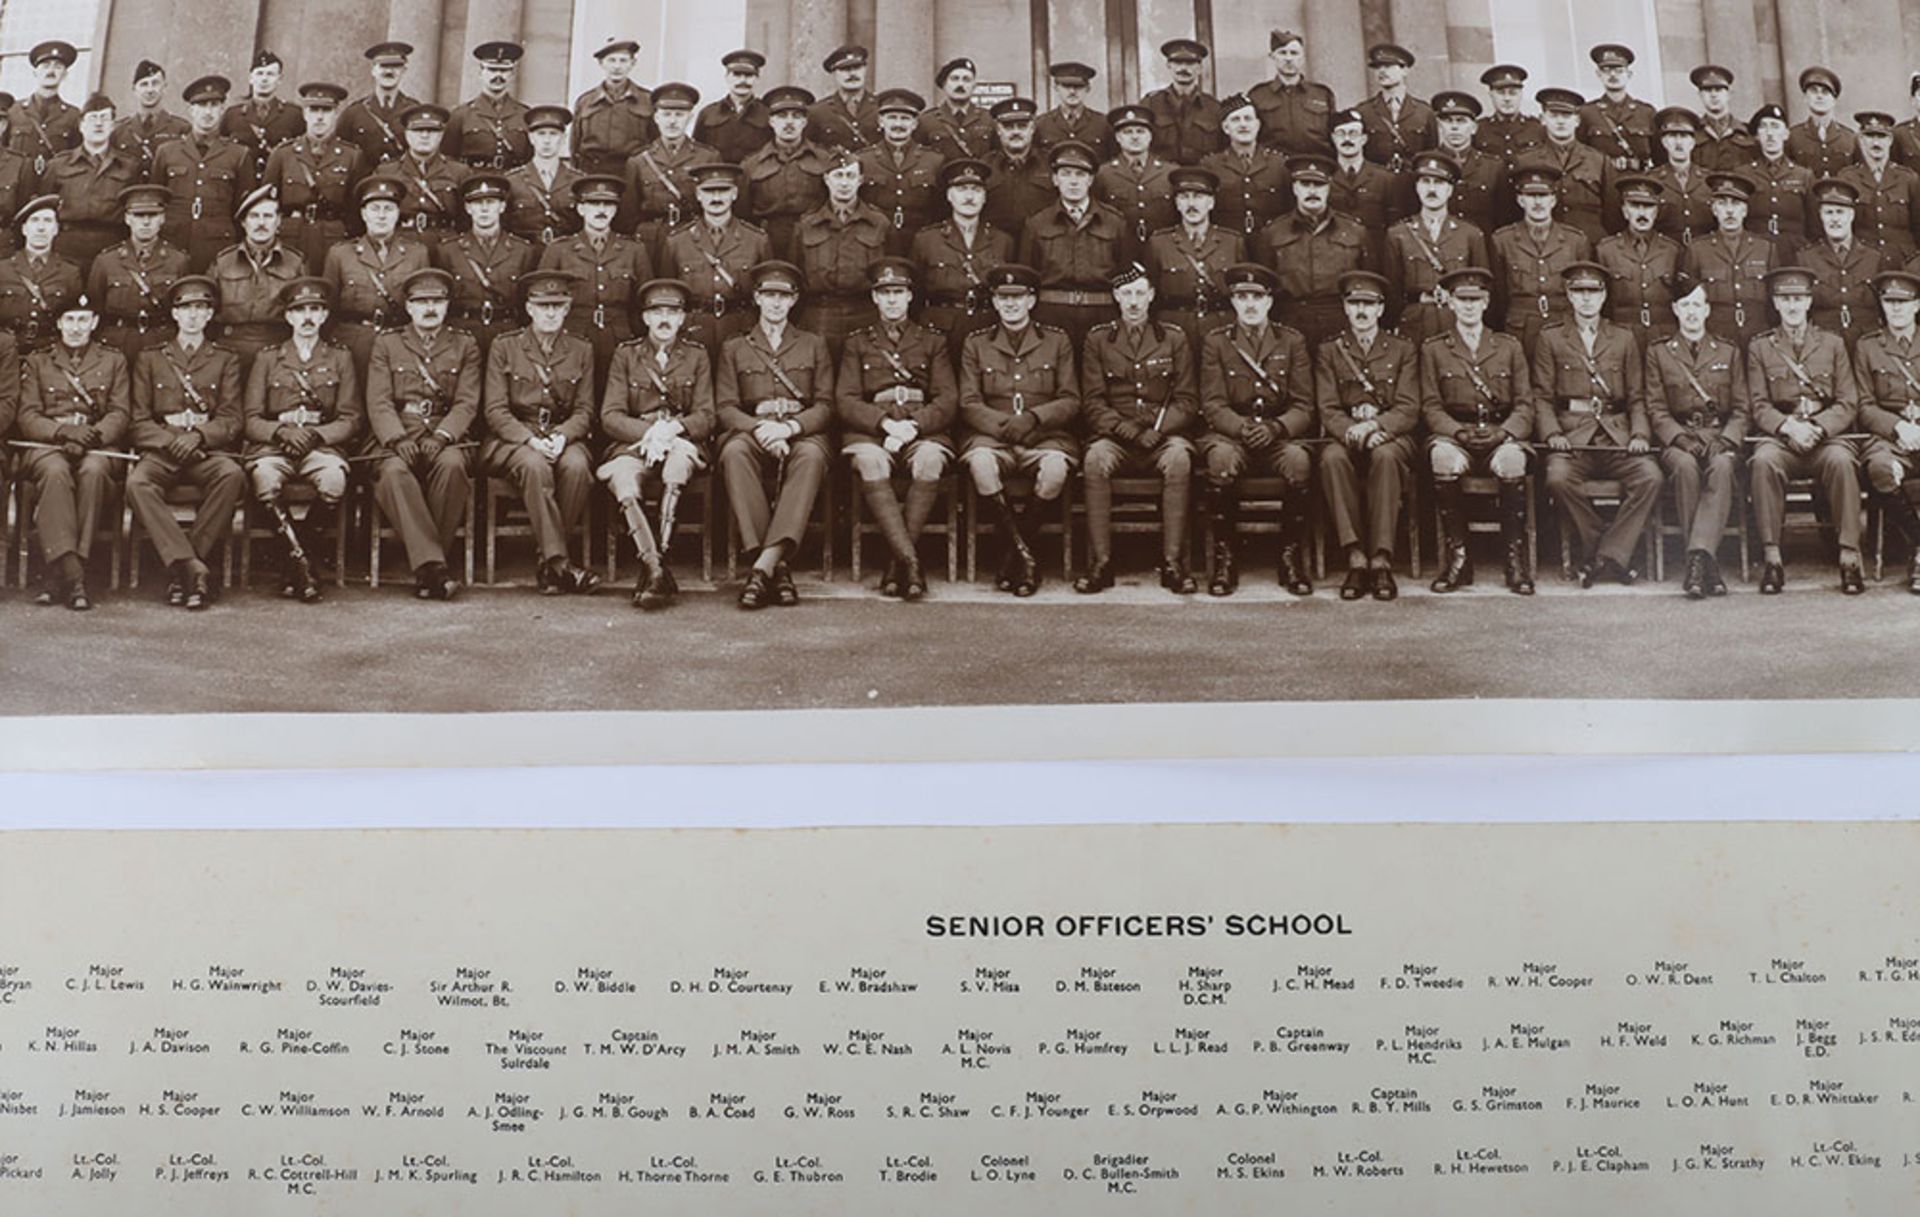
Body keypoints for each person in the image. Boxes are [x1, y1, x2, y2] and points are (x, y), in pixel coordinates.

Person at [715, 259, 835, 609]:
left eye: (784, 296)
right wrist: (761, 429)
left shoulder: (813, 344)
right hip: (753, 431)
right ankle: (777, 567)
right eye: (769, 295)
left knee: (812, 456)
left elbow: (826, 405)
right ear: (756, 298)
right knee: (734, 453)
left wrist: (790, 427)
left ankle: (761, 569)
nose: (776, 303)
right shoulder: (735, 347)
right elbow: (725, 407)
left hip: (799, 430)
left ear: (794, 300)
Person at [834, 257, 956, 599]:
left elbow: (947, 398)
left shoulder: (933, 341)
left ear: (909, 296)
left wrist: (914, 427)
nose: (891, 300)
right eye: (884, 292)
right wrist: (884, 423)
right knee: (871, 462)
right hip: (873, 431)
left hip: (921, 430)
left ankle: (895, 564)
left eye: (898, 292)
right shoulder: (858, 342)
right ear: (874, 298)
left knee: (931, 460)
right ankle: (910, 562)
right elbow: (845, 398)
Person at [957, 262, 1079, 597]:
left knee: (1055, 469)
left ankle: (1015, 556)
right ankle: (1027, 558)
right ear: (994, 302)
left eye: (1018, 297)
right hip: (992, 437)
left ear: (1032, 300)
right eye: (1002, 298)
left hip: (1044, 436)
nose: (1010, 304)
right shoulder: (976, 343)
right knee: (980, 464)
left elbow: (1070, 399)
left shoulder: (1056, 341)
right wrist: (1005, 427)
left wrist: (1035, 419)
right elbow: (968, 402)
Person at [1076, 261, 1198, 594]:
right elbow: (1093, 401)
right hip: (1116, 438)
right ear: (1116, 296)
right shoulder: (1099, 340)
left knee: (1179, 460)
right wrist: (1122, 428)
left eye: (1140, 294)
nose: (1133, 302)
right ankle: (1101, 563)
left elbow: (1187, 400)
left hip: (1162, 437)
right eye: (1126, 293)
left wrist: (1160, 429)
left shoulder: (1173, 338)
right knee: (1095, 459)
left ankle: (1173, 563)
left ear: (1152, 296)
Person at [1533, 261, 1658, 586]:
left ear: (1603, 297)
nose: (1586, 299)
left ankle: (1601, 557)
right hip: (1573, 435)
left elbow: (1637, 396)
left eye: (1593, 292)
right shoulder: (1551, 338)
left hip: (1616, 433)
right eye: (1579, 292)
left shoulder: (1623, 337)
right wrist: (1553, 433)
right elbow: (1542, 397)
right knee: (1558, 478)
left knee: (1650, 477)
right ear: (1569, 296)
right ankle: (1610, 552)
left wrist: (1640, 433)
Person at [125, 274, 245, 609]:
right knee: (137, 483)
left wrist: (199, 436)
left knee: (232, 475)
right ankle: (192, 567)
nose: (193, 315)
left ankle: (185, 566)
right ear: (175, 315)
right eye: (186, 308)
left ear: (210, 315)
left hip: (205, 450)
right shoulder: (151, 358)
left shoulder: (225, 359)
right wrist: (168, 440)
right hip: (164, 451)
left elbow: (232, 418)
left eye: (201, 308)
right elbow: (138, 421)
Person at [1196, 261, 1314, 596]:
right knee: (1220, 460)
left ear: (1269, 302)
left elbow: (1304, 405)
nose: (1249, 304)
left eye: (1257, 297)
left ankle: (1289, 558)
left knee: (1298, 461)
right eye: (1242, 296)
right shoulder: (1217, 342)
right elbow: (1213, 403)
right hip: (1233, 435)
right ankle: (1226, 558)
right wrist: (1241, 427)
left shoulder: (1291, 342)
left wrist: (1277, 427)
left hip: (1277, 434)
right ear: (1232, 301)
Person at [1745, 265, 1864, 594]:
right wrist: (1787, 427)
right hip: (1782, 439)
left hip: (1824, 439)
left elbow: (1847, 401)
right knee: (1763, 462)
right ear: (1776, 303)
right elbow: (1758, 404)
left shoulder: (1833, 344)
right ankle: (1773, 560)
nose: (1793, 306)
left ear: (1809, 302)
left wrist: (1819, 428)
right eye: (1785, 299)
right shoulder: (1760, 347)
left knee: (1842, 462)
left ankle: (1849, 559)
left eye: (1798, 298)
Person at [598, 276, 715, 609]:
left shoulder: (697, 356)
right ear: (645, 317)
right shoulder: (626, 355)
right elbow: (610, 415)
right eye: (656, 311)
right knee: (622, 478)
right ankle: (655, 567)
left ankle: (654, 568)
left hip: (680, 442)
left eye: (672, 312)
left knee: (677, 466)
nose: (664, 319)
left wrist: (673, 430)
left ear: (682, 318)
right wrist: (648, 434)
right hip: (636, 443)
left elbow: (707, 415)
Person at [241, 276, 360, 602]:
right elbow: (250, 418)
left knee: (334, 479)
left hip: (318, 446)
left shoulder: (340, 358)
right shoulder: (268, 358)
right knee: (264, 477)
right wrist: (279, 432)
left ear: (324, 316)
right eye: (300, 311)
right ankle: (304, 566)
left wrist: (316, 435)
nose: (308, 317)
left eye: (315, 310)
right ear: (288, 317)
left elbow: (350, 417)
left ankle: (293, 564)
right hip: (275, 446)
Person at [483, 269, 600, 594]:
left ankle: (548, 565)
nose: (550, 313)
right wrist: (530, 440)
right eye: (542, 305)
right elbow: (495, 410)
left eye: (557, 305)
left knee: (577, 467)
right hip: (515, 438)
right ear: (529, 309)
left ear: (567, 308)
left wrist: (562, 436)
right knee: (535, 466)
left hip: (563, 434)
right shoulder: (505, 346)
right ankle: (559, 563)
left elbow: (585, 410)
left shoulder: (581, 349)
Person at [363, 266, 476, 601]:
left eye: (437, 301)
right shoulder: (387, 344)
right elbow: (379, 400)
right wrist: (397, 439)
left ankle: (427, 568)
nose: (430, 308)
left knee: (454, 466)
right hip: (400, 432)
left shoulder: (465, 345)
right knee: (394, 472)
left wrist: (442, 436)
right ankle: (434, 569)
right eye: (421, 301)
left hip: (445, 435)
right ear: (408, 307)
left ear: (446, 305)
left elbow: (467, 402)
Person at [1421, 265, 1535, 595]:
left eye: (1477, 299)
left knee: (1514, 461)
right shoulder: (1434, 349)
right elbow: (1430, 405)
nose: (1469, 306)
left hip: (1499, 433)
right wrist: (1456, 432)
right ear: (1451, 303)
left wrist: (1506, 432)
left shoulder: (1508, 346)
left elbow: (1525, 404)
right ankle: (1458, 558)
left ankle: (1514, 560)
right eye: (1462, 299)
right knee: (1442, 458)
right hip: (1457, 435)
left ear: (1486, 303)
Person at [16, 293, 128, 610]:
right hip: (48, 444)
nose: (76, 327)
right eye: (69, 320)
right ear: (59, 324)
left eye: (82, 320)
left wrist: (91, 436)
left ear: (93, 323)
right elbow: (27, 415)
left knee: (93, 471)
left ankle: (57, 572)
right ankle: (75, 575)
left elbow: (120, 412)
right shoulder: (39, 360)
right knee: (55, 472)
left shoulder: (113, 360)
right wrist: (63, 432)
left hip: (97, 444)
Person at [1645, 270, 1748, 598]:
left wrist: (1727, 439)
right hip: (1679, 440)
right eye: (1685, 305)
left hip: (1718, 436)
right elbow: (1656, 408)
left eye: (1697, 305)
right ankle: (1708, 563)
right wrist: (1678, 438)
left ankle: (1697, 563)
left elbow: (1743, 408)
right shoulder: (1659, 353)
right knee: (1686, 468)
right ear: (1675, 309)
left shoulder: (1728, 351)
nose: (1691, 312)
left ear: (1707, 311)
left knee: (1721, 466)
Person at [1315, 269, 1418, 600]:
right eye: (1354, 303)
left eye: (1368, 304)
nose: (1361, 310)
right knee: (1331, 458)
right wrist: (1352, 431)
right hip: (1347, 435)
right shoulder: (1330, 351)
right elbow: (1328, 408)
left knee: (1386, 458)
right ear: (1345, 308)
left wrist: (1377, 427)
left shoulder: (1402, 349)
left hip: (1389, 436)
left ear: (1380, 309)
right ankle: (1355, 555)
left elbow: (1408, 407)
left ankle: (1381, 558)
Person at [538, 174, 650, 387]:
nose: (601, 210)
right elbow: (543, 298)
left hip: (619, 338)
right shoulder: (559, 250)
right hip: (572, 338)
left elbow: (643, 302)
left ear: (615, 210)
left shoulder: (633, 250)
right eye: (593, 204)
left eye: (608, 204)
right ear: (580, 209)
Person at [322, 173, 431, 381]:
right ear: (363, 214)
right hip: (353, 342)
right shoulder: (340, 254)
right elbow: (329, 310)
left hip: (399, 343)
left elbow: (421, 307)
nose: (382, 216)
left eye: (388, 209)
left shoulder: (417, 254)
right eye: (375, 209)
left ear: (398, 213)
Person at [1256, 153, 1372, 346]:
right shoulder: (1273, 233)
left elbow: (1367, 283)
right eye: (1305, 184)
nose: (1312, 191)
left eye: (1318, 184)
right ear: (1294, 188)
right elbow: (1265, 289)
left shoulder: (1355, 231)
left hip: (1340, 323)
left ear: (1329, 188)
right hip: (1290, 323)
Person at [1020, 140, 1127, 348]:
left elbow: (1125, 275)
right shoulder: (1036, 224)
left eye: (1080, 175)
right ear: (1055, 180)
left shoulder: (1115, 222)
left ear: (1090, 180)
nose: (1073, 182)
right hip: (1051, 317)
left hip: (1102, 317)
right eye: (1066, 174)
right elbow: (1027, 277)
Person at [1855, 268, 1920, 594]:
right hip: (1888, 437)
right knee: (1880, 469)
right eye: (1890, 302)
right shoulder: (1868, 347)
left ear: (1916, 306)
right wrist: (1897, 427)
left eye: (1903, 302)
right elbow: (1864, 405)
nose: (1896, 309)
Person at [660, 162, 770, 354]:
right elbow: (668, 295)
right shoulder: (677, 242)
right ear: (698, 195)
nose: (716, 198)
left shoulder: (757, 240)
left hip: (741, 330)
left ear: (734, 194)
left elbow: (766, 293)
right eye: (709, 191)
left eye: (723, 190)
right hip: (694, 333)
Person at [1382, 150, 1488, 349]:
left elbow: (1483, 289)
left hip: (1457, 323)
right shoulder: (1398, 234)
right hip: (1414, 325)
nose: (1432, 189)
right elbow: (1392, 293)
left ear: (1450, 190)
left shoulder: (1470, 234)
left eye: (1439, 183)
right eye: (1425, 182)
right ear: (1416, 187)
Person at [786, 151, 886, 359]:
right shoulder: (807, 225)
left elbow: (893, 272)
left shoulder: (879, 224)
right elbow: (795, 276)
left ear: (860, 181)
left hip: (865, 314)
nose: (844, 183)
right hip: (820, 316)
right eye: (838, 176)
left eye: (850, 176)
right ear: (826, 179)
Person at [911, 157, 1012, 361]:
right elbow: (914, 295)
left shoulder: (1003, 241)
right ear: (949, 196)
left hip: (986, 328)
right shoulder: (926, 239)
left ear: (984, 197)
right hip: (939, 329)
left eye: (976, 190)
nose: (969, 197)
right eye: (961, 189)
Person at [151, 75, 253, 272]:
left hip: (217, 248)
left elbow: (242, 211)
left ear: (222, 109)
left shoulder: (238, 155)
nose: (208, 112)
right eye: (201, 105)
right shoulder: (167, 152)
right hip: (172, 244)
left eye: (214, 105)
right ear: (191, 110)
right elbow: (157, 202)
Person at [262, 82, 367, 272]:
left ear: (336, 113)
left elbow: (356, 210)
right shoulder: (283, 154)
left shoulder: (351, 156)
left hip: (334, 240)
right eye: (313, 109)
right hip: (291, 238)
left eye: (326, 110)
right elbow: (268, 202)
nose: (319, 117)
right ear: (304, 113)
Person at [1490, 165, 1592, 350]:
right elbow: (1498, 296)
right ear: (1520, 200)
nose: (1538, 202)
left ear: (1553, 200)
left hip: (1563, 328)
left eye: (1543, 195)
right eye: (1531, 196)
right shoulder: (1502, 240)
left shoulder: (1575, 240)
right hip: (1520, 329)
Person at [87, 184, 189, 362]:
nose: (146, 222)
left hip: (161, 343)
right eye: (139, 215)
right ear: (127, 218)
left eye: (153, 215)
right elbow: (95, 309)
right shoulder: (106, 261)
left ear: (162, 218)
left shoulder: (178, 260)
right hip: (116, 344)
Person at [438, 172, 535, 358]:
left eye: (490, 202)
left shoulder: (523, 251)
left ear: (502, 206)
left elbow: (526, 305)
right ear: (468, 208)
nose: (484, 209)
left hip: (507, 335)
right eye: (477, 203)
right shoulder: (448, 251)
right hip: (462, 336)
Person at [1143, 166, 1242, 346]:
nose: (1191, 204)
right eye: (1184, 197)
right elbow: (1151, 294)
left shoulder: (1233, 242)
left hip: (1221, 327)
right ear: (1177, 204)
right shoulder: (1159, 243)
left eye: (1198, 197)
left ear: (1211, 203)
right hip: (1173, 328)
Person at [42, 94, 140, 275]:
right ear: (81, 125)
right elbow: (43, 208)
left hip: (111, 247)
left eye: (104, 118)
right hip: (66, 247)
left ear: (112, 126)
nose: (98, 124)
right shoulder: (58, 165)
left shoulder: (129, 167)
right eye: (93, 118)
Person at [209, 185, 306, 368]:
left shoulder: (295, 263)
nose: (261, 223)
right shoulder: (223, 262)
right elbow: (207, 310)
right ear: (243, 222)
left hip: (278, 350)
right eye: (254, 216)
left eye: (268, 216)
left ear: (278, 222)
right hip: (230, 348)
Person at [1683, 170, 1777, 353]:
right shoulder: (1697, 250)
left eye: (1735, 203)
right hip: (1716, 343)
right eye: (1722, 203)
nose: (1729, 210)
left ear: (1745, 210)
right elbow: (1691, 304)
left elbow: (1774, 304)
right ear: (1714, 209)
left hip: (1758, 340)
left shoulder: (1765, 249)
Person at [621, 83, 717, 258]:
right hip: (650, 240)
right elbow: (628, 214)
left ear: (690, 118)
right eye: (666, 114)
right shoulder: (639, 160)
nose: (672, 121)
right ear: (656, 118)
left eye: (679, 115)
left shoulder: (707, 158)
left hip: (691, 238)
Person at [1799, 177, 1887, 353]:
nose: (1835, 219)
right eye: (1829, 213)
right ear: (1820, 216)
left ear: (1851, 215)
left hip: (1867, 346)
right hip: (1824, 347)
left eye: (1840, 212)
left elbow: (1885, 309)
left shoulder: (1874, 257)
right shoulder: (1806, 258)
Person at [1595, 175, 1681, 349]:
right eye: (1635, 206)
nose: (1642, 213)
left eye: (1648, 206)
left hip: (1664, 340)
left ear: (1656, 212)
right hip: (1621, 339)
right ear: (1625, 211)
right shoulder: (1606, 251)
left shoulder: (1673, 250)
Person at [742, 87, 831, 255]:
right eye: (782, 116)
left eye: (796, 116)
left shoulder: (824, 160)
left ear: (805, 122)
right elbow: (742, 213)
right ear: (771, 121)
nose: (789, 122)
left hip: (814, 243)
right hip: (768, 244)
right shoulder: (751, 165)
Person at [857, 89, 943, 256]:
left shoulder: (934, 160)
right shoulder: (863, 160)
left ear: (915, 124)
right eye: (892, 118)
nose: (898, 124)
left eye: (905, 119)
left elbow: (941, 210)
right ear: (881, 122)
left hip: (920, 244)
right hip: (875, 242)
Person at [1517, 87, 1606, 247]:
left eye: (1566, 115)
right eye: (1553, 115)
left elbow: (1612, 211)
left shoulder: (1598, 160)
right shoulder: (1526, 160)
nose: (1560, 121)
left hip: (1589, 245)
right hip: (1543, 246)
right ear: (1542, 119)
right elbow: (1515, 209)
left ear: (1577, 121)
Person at [376, 105, 470, 249]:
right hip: (399, 246)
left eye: (432, 131)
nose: (425, 136)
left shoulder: (458, 172)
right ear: (406, 133)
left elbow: (466, 220)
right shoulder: (387, 172)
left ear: (441, 135)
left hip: (445, 247)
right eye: (418, 130)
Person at [0, 195, 84, 354]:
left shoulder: (70, 272)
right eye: (35, 220)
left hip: (49, 355)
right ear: (24, 229)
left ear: (56, 229)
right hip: (6, 353)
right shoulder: (2, 269)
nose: (40, 228)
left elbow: (74, 320)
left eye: (47, 221)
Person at [1200, 93, 1290, 241]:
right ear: (1225, 128)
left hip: (1270, 243)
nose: (1243, 125)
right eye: (1235, 120)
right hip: (1227, 245)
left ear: (1257, 125)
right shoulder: (1211, 166)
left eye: (1248, 119)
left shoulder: (1279, 164)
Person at [1840, 112, 1920, 264]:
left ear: (1890, 140)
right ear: (1861, 139)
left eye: (1881, 136)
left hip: (1903, 263)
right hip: (1864, 262)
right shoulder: (1848, 178)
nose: (1876, 143)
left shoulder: (1909, 179)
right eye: (1870, 136)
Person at [572, 39, 655, 178]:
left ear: (632, 64)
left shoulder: (647, 101)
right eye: (612, 60)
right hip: (592, 175)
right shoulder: (585, 102)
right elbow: (575, 146)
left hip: (633, 175)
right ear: (601, 63)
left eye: (623, 61)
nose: (617, 66)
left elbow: (655, 144)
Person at [1096, 104, 1177, 248]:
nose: (1135, 137)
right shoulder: (1104, 174)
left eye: (1140, 131)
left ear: (1150, 136)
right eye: (1127, 132)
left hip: (1163, 251)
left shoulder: (1170, 173)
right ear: (1118, 138)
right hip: (1119, 250)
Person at [504, 105, 583, 250]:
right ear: (531, 138)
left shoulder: (578, 181)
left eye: (553, 134)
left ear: (563, 139)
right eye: (541, 134)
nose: (547, 141)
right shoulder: (512, 181)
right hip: (524, 258)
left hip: (565, 258)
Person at [1430, 91, 1507, 238]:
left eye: (1461, 121)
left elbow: (1504, 220)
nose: (1454, 127)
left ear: (1474, 128)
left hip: (1483, 250)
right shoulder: (1427, 166)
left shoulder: (1493, 167)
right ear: (1439, 126)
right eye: (1448, 121)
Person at [445, 42, 531, 171]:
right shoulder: (460, 115)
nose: (498, 76)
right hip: (473, 184)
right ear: (481, 72)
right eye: (492, 69)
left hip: (513, 185)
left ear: (512, 75)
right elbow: (448, 158)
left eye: (504, 70)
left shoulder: (525, 115)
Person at [1250, 29, 1335, 157]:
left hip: (1316, 165)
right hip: (1273, 168)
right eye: (1282, 53)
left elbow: (1334, 134)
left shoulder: (1322, 94)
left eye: (1294, 53)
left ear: (1302, 58)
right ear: (1272, 57)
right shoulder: (1258, 95)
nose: (1288, 58)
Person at [220, 51, 304, 181]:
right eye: (259, 73)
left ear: (280, 79)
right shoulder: (233, 115)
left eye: (270, 74)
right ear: (250, 78)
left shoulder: (293, 115)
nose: (264, 79)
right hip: (240, 186)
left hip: (278, 186)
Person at [982, 97, 1056, 239]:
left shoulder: (1051, 164)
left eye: (1022, 126)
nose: (1016, 132)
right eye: (1008, 127)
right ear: (998, 130)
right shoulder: (985, 166)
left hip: (1041, 247)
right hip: (998, 249)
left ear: (1032, 128)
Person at [339, 42, 421, 168]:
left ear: (404, 70)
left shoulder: (414, 111)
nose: (389, 71)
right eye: (383, 66)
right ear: (373, 70)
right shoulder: (354, 113)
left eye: (396, 66)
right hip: (363, 184)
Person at [1142, 39, 1223, 166]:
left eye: (1190, 63)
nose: (1183, 68)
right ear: (1168, 65)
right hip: (1162, 178)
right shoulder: (1150, 104)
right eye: (1178, 62)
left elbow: (1222, 151)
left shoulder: (1214, 108)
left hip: (1202, 178)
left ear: (1200, 68)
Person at [1356, 43, 1433, 175]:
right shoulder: (1363, 111)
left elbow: (1431, 151)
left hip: (1411, 183)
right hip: (1377, 185)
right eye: (1378, 67)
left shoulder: (1424, 112)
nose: (1382, 71)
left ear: (1405, 70)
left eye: (1388, 66)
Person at [1746, 104, 1811, 254]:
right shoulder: (1745, 174)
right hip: (1756, 253)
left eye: (1775, 126)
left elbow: (1814, 227)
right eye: (1764, 127)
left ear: (1786, 134)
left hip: (1794, 253)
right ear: (1757, 135)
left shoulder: (1803, 176)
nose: (1770, 133)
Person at [1577, 44, 1654, 172]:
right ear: (1598, 74)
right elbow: (1580, 155)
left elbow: (1660, 158)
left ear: (1629, 75)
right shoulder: (1587, 113)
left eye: (1619, 70)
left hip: (1640, 183)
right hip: (1602, 184)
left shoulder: (1646, 113)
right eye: (1606, 70)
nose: (1613, 75)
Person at [9, 41, 80, 177]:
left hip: (53, 187)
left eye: (58, 67)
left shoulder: (74, 116)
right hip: (17, 186)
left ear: (65, 75)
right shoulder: (14, 111)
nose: (51, 71)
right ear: (35, 73)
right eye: (45, 66)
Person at [1648, 107, 1714, 248]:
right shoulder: (1651, 180)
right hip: (1665, 253)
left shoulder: (1709, 180)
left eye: (1684, 136)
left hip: (1704, 253)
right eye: (1672, 136)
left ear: (1693, 142)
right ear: (1664, 142)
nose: (1678, 143)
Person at [112, 60, 190, 177]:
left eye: (155, 83)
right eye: (144, 84)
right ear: (134, 89)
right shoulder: (119, 131)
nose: (150, 90)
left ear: (164, 86)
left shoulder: (181, 128)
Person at [693, 49, 771, 166]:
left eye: (749, 75)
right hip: (717, 179)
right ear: (727, 77)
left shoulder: (768, 114)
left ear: (757, 78)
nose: (742, 80)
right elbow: (697, 153)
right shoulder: (708, 114)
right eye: (737, 74)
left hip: (755, 180)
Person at [916, 58, 995, 161]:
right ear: (944, 84)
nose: (960, 84)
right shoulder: (926, 121)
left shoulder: (989, 119)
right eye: (954, 79)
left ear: (974, 86)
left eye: (966, 80)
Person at [1786, 67, 1856, 179]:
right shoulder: (1792, 136)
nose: (1819, 96)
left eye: (1825, 92)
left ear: (1834, 100)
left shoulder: (1850, 138)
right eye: (1814, 91)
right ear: (1805, 97)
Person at [808, 45, 880, 153]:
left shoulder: (881, 106)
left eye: (857, 67)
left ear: (865, 69)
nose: (852, 74)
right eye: (844, 69)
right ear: (834, 73)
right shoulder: (817, 112)